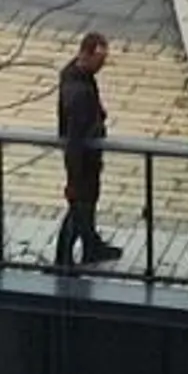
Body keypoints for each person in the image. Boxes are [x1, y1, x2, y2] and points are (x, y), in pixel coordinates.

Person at [54, 30, 117, 271]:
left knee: (87, 201)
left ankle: (90, 245)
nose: (101, 66)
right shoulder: (78, 93)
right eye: (99, 60)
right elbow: (73, 141)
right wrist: (73, 177)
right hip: (82, 158)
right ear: (87, 54)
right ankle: (64, 259)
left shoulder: (76, 74)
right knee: (79, 204)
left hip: (87, 154)